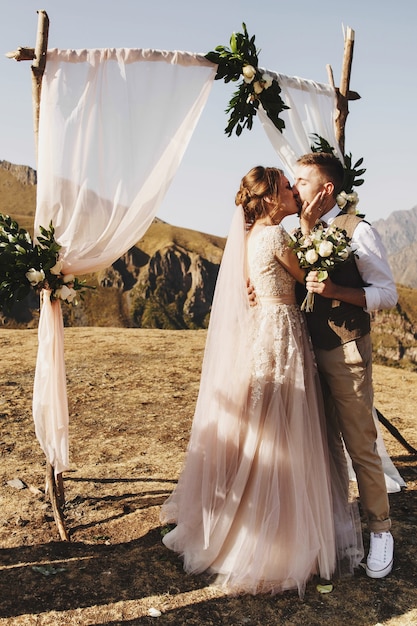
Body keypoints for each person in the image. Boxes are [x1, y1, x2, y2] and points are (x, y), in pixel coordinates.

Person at [160, 166, 363, 598]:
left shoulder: (253, 237)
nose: (294, 193)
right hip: (282, 331)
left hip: (266, 332)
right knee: (284, 429)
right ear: (271, 198)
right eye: (288, 189)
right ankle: (278, 536)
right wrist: (311, 229)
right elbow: (306, 272)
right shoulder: (275, 236)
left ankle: (253, 518)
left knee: (267, 424)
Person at [292, 152, 399, 579]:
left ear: (326, 189)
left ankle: (381, 530)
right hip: (304, 352)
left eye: (302, 181)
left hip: (346, 350)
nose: (294, 186)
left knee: (360, 443)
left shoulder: (360, 231)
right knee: (318, 442)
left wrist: (338, 289)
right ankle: (334, 524)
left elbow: (386, 294)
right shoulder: (300, 229)